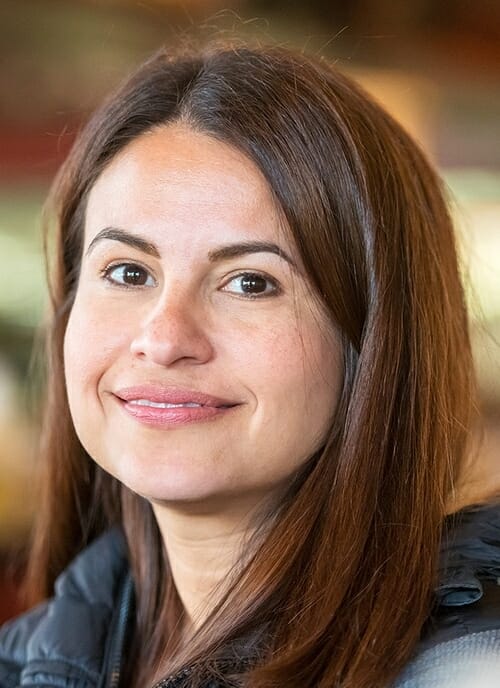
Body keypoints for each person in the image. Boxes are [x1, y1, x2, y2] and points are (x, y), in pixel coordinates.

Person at [0, 39, 499, 688]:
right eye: (127, 272)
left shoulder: (467, 668)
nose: (164, 338)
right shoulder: (31, 657)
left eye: (251, 283)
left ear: (376, 336)